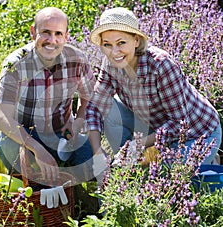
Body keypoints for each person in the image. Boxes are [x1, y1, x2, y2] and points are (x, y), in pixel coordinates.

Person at [86, 7, 222, 177]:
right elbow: (94, 108)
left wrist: (136, 146)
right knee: (109, 109)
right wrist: (97, 154)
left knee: (166, 174)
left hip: (196, 132)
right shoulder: (110, 63)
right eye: (107, 44)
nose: (114, 52)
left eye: (121, 43)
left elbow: (179, 123)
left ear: (136, 40)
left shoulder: (161, 65)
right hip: (155, 126)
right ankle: (126, 168)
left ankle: (208, 158)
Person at [0, 7, 96, 184]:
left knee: (89, 156)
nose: (52, 40)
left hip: (62, 135)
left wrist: (78, 122)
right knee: (6, 143)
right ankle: (30, 190)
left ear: (66, 36)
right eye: (46, 32)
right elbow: (2, 117)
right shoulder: (16, 63)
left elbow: (90, 98)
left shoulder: (77, 60)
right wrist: (36, 149)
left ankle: (75, 196)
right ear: (33, 33)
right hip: (25, 136)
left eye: (58, 33)